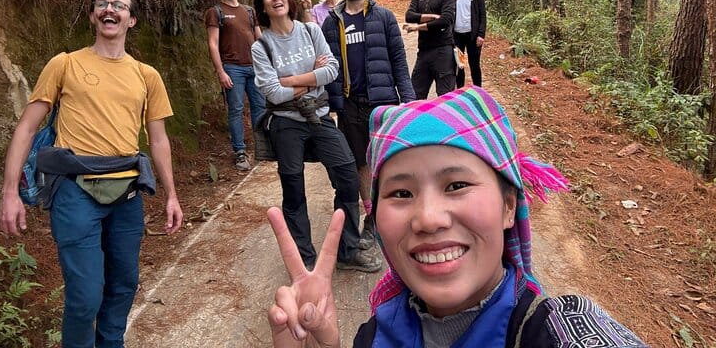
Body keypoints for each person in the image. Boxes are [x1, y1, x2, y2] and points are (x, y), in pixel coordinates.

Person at [265, 86, 649, 347]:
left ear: (509, 205)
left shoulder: (554, 331)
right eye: (401, 193)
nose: (428, 218)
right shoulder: (373, 335)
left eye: (457, 185)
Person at [0, 0, 184, 348]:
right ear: (93, 16)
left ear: (131, 20)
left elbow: (159, 139)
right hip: (74, 191)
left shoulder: (146, 75)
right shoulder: (65, 64)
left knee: (123, 285)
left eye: (119, 5)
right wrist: (9, 192)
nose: (109, 9)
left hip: (127, 193)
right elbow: (27, 127)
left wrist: (171, 195)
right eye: (102, 4)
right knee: (85, 296)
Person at [251, 0, 381, 273]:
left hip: (319, 116)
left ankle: (347, 250)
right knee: (293, 188)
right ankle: (305, 259)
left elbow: (332, 70)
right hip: (285, 122)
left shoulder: (310, 31)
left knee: (347, 175)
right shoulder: (262, 47)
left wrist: (292, 81)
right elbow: (272, 93)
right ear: (263, 6)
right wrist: (312, 77)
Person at [321, 0, 416, 250]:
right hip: (349, 104)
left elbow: (399, 60)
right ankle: (373, 217)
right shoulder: (331, 22)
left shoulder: (384, 17)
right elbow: (326, 67)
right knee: (360, 162)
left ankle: (397, 211)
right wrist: (330, 103)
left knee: (387, 160)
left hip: (382, 102)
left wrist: (408, 100)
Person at [204, 0, 266, 170]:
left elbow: (260, 39)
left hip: (254, 67)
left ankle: (263, 147)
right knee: (236, 110)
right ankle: (240, 152)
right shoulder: (215, 12)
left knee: (260, 107)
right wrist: (220, 72)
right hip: (232, 68)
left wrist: (266, 64)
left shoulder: (249, 11)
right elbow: (213, 43)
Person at [403, 0, 457, 99]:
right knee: (414, 97)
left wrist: (417, 27)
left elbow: (445, 20)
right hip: (424, 52)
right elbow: (409, 16)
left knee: (445, 100)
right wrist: (432, 17)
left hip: (443, 52)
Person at [453, 0, 487, 87]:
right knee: (459, 65)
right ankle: (460, 91)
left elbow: (482, 15)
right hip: (457, 36)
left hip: (473, 36)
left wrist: (481, 35)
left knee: (474, 64)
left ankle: (478, 91)